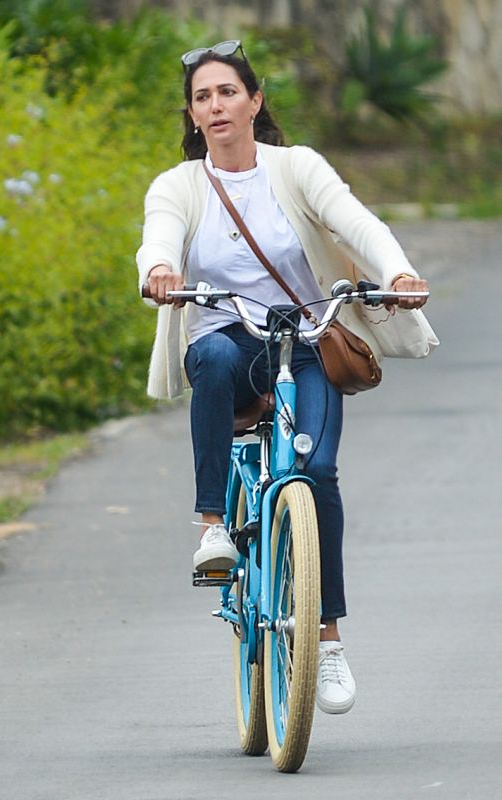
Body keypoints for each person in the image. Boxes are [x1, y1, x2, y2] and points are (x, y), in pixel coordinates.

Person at [136, 40, 429, 715]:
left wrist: (397, 272)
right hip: (227, 337)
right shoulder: (178, 185)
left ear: (254, 101)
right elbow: (159, 232)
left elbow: (355, 220)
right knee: (208, 358)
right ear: (191, 114)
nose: (216, 106)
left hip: (304, 336)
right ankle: (214, 525)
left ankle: (324, 641)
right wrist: (157, 270)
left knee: (316, 474)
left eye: (227, 93)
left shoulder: (295, 168)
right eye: (202, 97)